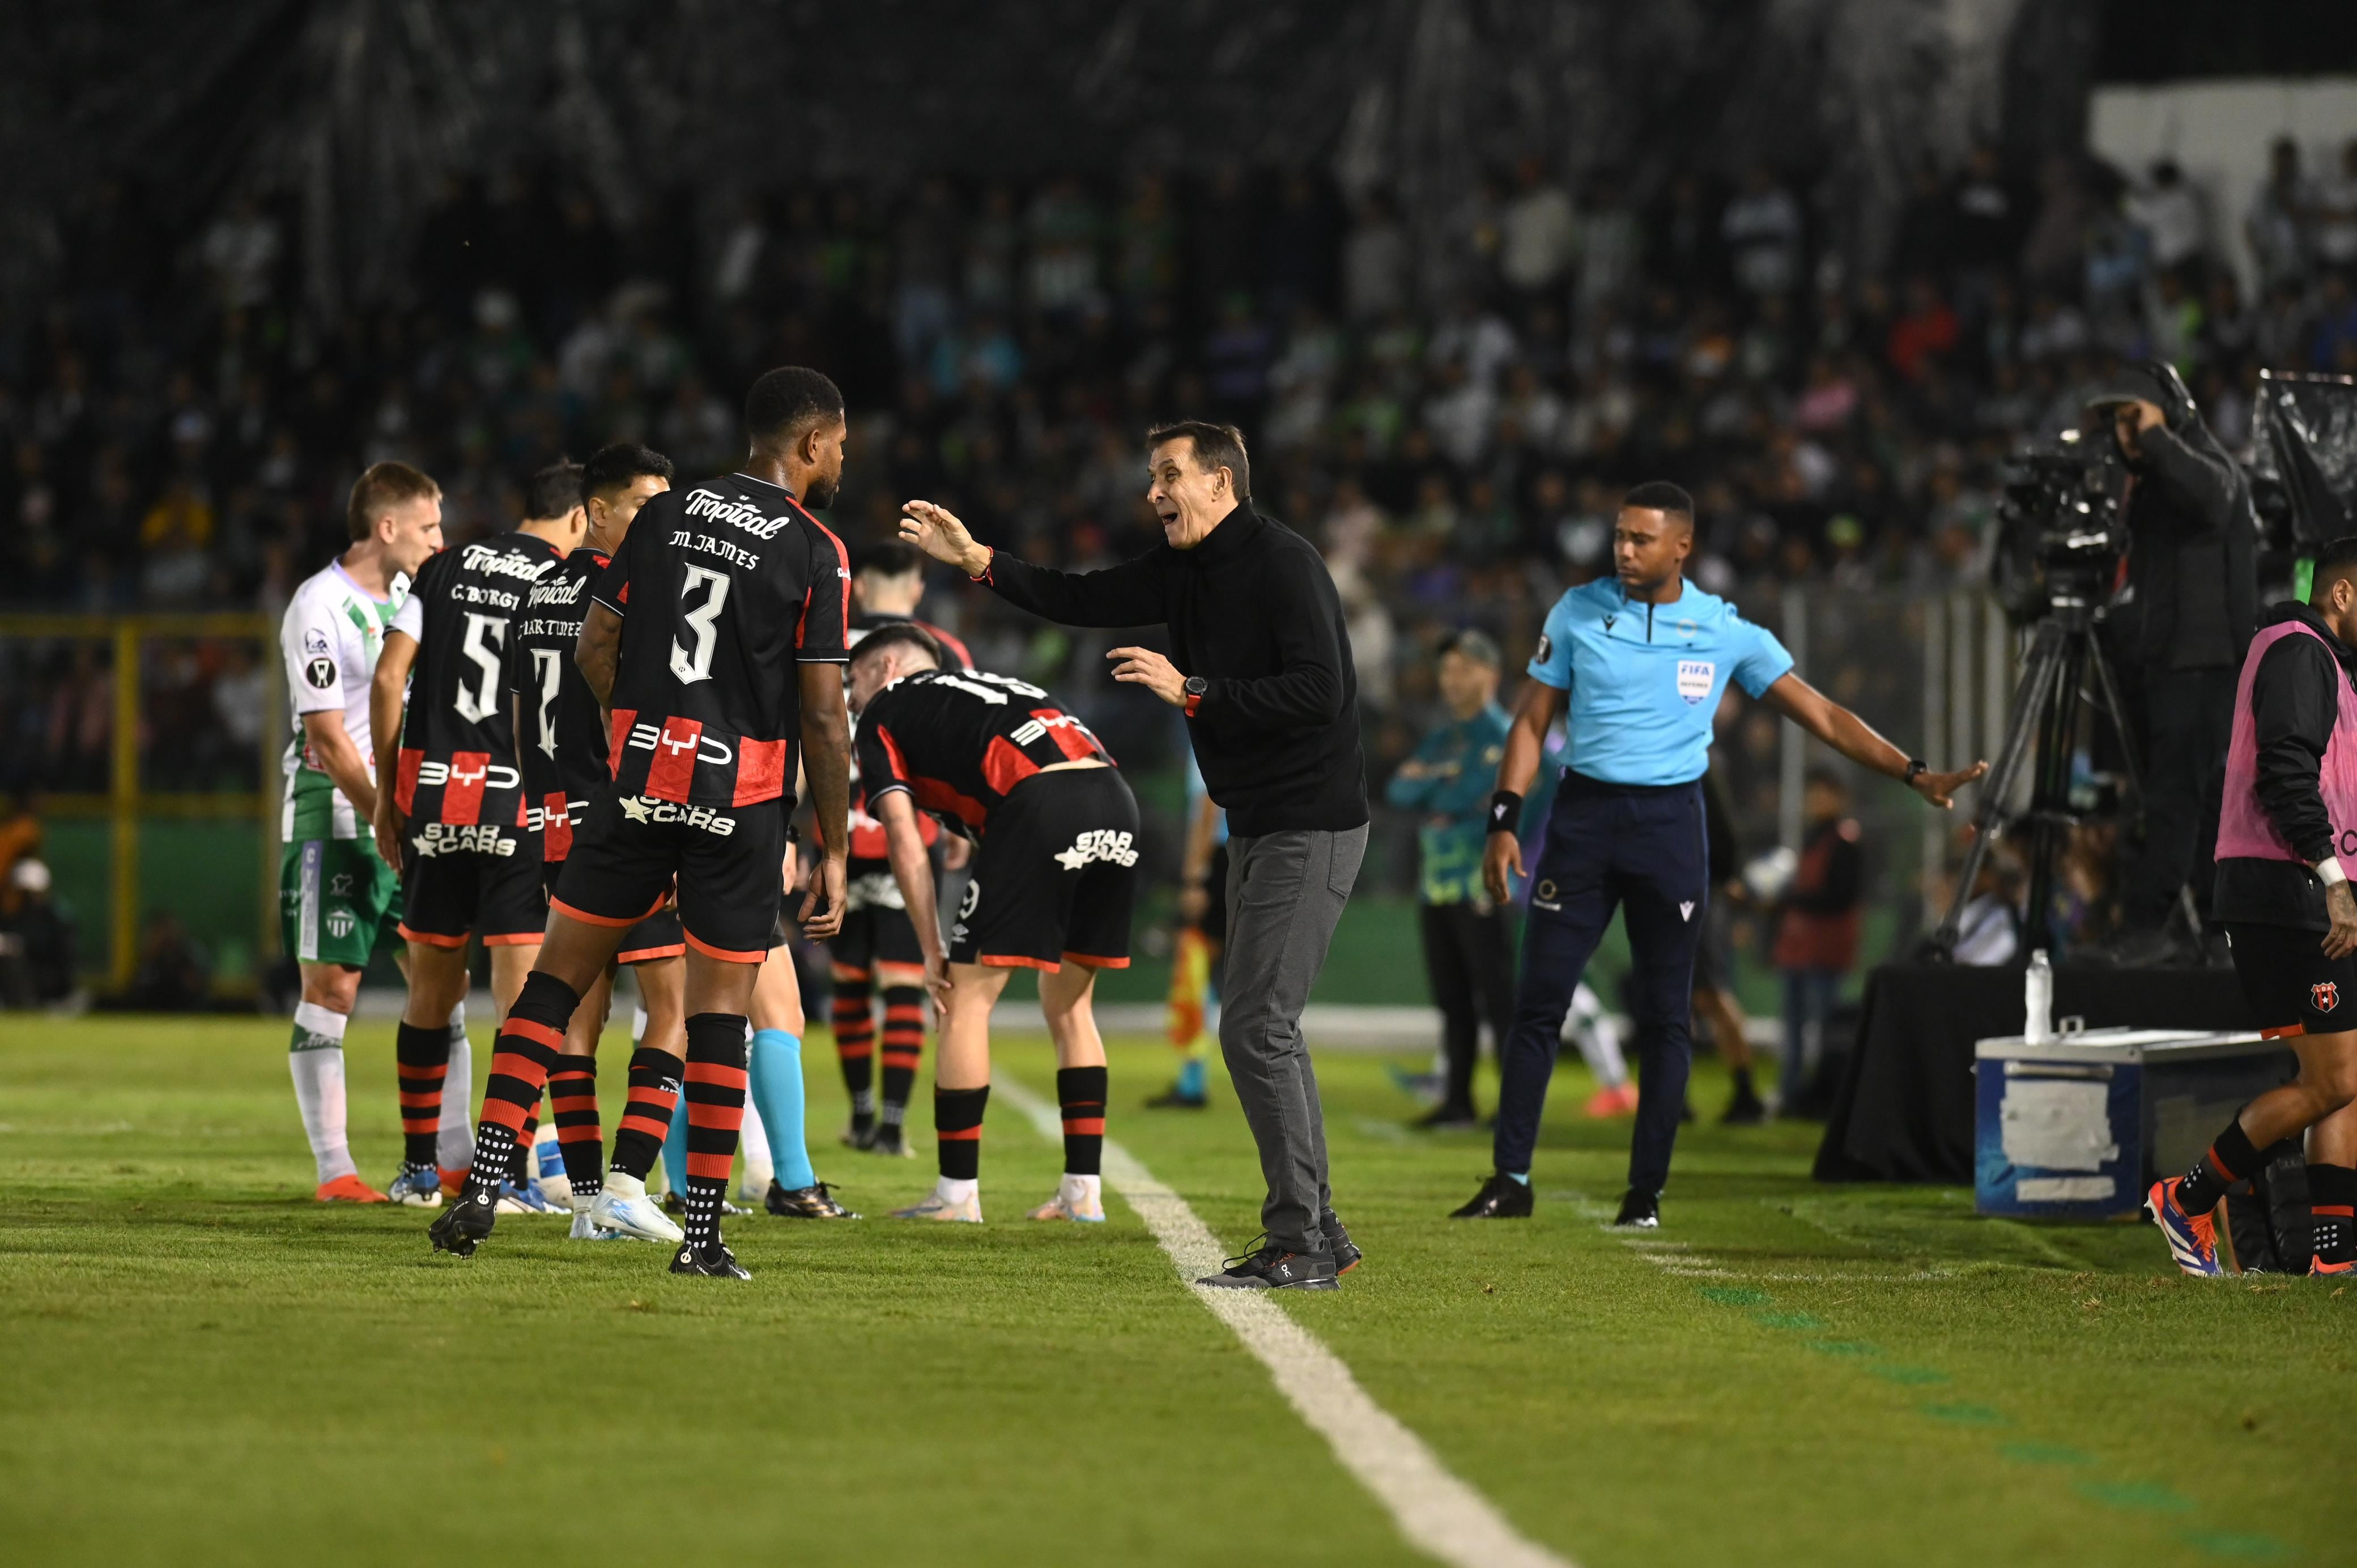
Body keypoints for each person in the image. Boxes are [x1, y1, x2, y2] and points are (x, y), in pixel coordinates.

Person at [899, 420, 1368, 1291]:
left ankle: (1300, 1240)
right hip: (1259, 823)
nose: (1153, 492)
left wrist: (1193, 689)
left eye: (1169, 475)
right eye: (1153, 476)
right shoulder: (1184, 566)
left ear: (1222, 482)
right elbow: (1079, 596)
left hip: (1312, 821)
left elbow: (1321, 690)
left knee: (1257, 1027)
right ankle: (1319, 1228)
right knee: (1267, 1027)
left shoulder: (1285, 563)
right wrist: (978, 560)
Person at [1450, 482, 1985, 1228]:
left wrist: (1912, 771)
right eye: (1619, 536)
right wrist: (1504, 820)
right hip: (1583, 821)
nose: (1624, 550)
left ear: (1682, 546)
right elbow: (1532, 721)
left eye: (1641, 539)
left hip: (1670, 826)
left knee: (1668, 1016)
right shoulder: (1576, 611)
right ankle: (1510, 1179)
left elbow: (1823, 714)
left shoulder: (1724, 630)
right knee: (1538, 1004)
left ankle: (1644, 1194)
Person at [427, 365, 854, 1279]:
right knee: (716, 1014)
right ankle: (701, 1238)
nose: (842, 462)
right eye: (841, 447)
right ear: (813, 443)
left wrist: (637, 732)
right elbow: (824, 716)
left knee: (553, 984)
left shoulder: (664, 515)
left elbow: (595, 643)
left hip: (638, 783)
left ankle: (484, 1186)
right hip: (740, 799)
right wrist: (835, 845)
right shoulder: (817, 548)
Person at [846, 624, 1134, 1224]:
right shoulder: (990, 686)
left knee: (962, 1001)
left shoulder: (883, 711)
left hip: (1040, 804)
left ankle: (956, 1195)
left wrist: (931, 948)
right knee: (1070, 1005)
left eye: (854, 682)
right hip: (1115, 798)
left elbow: (902, 834)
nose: (850, 700)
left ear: (886, 667)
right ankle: (1083, 1192)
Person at [2149, 536, 2357, 1279]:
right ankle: (2188, 1198)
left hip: (2303, 887)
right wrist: (2333, 878)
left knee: (2346, 1074)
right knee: (2334, 1080)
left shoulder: (2321, 660)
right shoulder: (2300, 651)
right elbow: (2284, 771)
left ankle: (2334, 1258)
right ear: (2342, 594)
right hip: (2288, 889)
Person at [371, 461, 575, 1212]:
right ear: (579, 518)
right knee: (520, 999)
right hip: (514, 801)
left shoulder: (442, 567)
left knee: (431, 988)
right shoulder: (561, 581)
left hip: (435, 797)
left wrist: (389, 796)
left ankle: (417, 1170)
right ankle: (507, 1174)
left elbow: (389, 679)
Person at [504, 443, 693, 1240]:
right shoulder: (635, 592)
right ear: (598, 513)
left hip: (556, 826)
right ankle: (625, 1183)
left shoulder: (536, 593)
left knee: (578, 1019)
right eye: (646, 506)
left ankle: (584, 1204)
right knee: (674, 1006)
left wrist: (544, 811)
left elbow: (521, 724)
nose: (660, 521)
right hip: (628, 824)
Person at [275, 462, 446, 1204]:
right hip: (335, 811)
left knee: (439, 976)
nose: (438, 539)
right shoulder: (317, 604)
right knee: (333, 985)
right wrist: (385, 813)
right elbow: (327, 736)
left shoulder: (417, 599)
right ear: (387, 527)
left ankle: (451, 1158)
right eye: (428, 526)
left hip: (404, 811)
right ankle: (335, 1171)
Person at [2091, 361, 2255, 964]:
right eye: (2118, 422)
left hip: (2204, 666)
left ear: (2170, 414)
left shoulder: (2209, 467)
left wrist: (2159, 434)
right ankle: (2218, 932)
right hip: (2167, 668)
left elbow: (2215, 498)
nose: (2127, 432)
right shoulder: (2151, 487)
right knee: (2203, 803)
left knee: (2174, 801)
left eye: (2134, 416)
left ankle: (2145, 926)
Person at [832, 539, 974, 1155]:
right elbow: (960, 739)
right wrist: (958, 826)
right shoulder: (941, 650)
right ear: (916, 589)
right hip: (908, 829)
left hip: (836, 831)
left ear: (859, 586)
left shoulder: (828, 641)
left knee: (847, 981)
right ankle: (891, 1126)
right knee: (902, 981)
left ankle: (861, 1114)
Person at [1385, 629, 1514, 1127]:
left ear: (1491, 674)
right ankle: (1459, 1101)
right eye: (1446, 669)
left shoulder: (1505, 735)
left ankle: (1515, 1106)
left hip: (1485, 884)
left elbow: (1527, 790)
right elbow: (1400, 790)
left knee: (1499, 996)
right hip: (1437, 884)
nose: (1451, 679)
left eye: (1463, 668)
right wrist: (1455, 787)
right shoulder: (1445, 737)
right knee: (1452, 998)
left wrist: (1442, 786)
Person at [1773, 770, 1864, 1116]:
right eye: (1813, 793)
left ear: (1841, 798)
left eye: (1824, 793)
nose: (1816, 800)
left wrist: (1792, 899)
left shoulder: (1845, 842)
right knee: (1793, 1028)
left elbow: (1840, 898)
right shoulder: (1812, 839)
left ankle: (1823, 1095)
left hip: (1825, 951)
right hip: (1798, 949)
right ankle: (1792, 1093)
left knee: (1824, 1029)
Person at [1150, 752, 1224, 1109]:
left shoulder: (1208, 738)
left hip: (1220, 860)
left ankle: (1192, 1081)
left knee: (1196, 968)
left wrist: (1195, 877)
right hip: (1257, 854)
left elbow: (1209, 804)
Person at [1693, 766, 1766, 1123]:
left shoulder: (1697, 761)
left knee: (1711, 995)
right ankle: (1675, 1097)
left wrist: (1722, 881)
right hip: (1689, 891)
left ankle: (1746, 1093)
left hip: (1698, 893)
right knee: (1692, 997)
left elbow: (1724, 835)